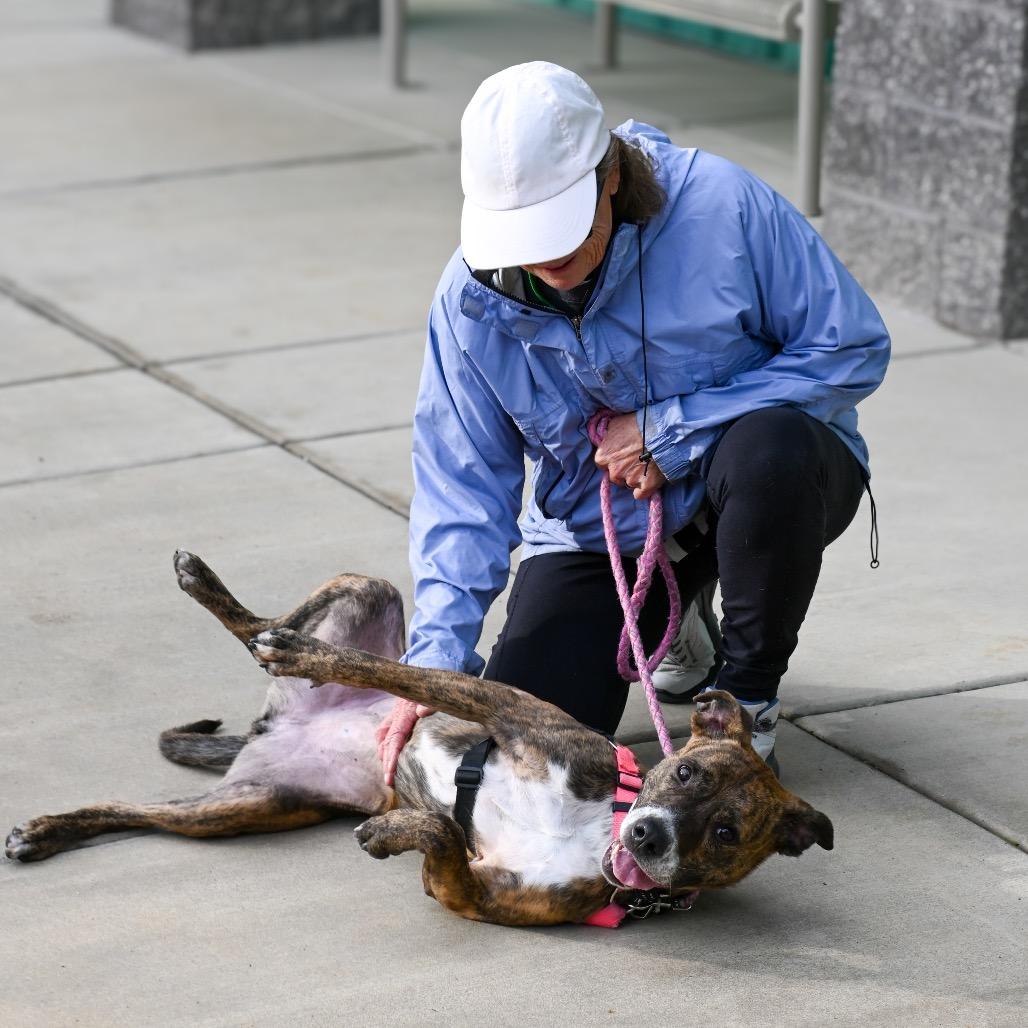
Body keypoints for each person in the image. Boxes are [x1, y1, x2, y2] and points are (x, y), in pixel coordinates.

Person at [377, 61, 890, 780]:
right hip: (605, 533)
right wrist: (432, 668)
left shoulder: (724, 205)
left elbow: (850, 346)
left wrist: (668, 428)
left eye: (561, 225)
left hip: (769, 483)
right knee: (534, 758)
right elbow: (461, 486)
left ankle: (743, 704)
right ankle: (671, 622)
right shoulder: (467, 301)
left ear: (611, 174)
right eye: (520, 234)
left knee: (771, 448)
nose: (544, 258)